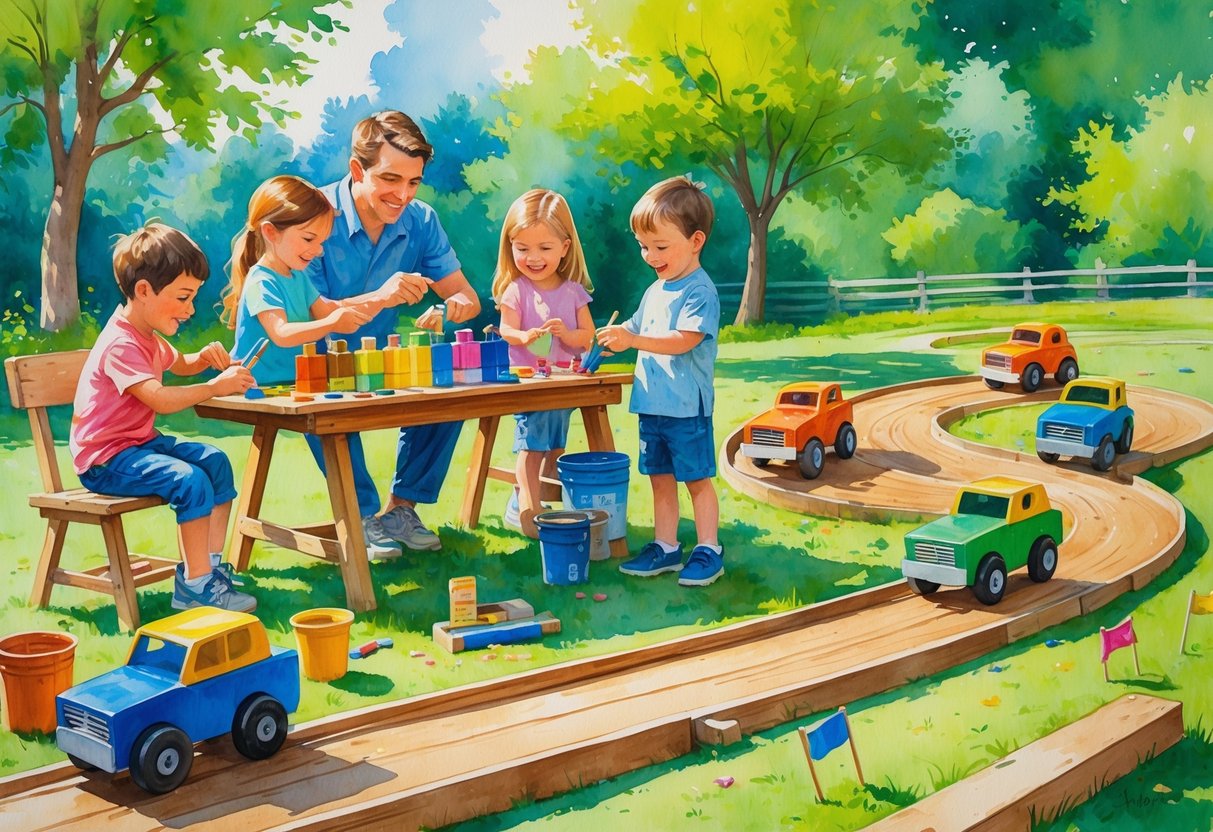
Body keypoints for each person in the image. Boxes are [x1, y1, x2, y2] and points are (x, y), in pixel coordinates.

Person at [304, 110, 482, 554]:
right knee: (331, 404)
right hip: (308, 359)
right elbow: (308, 315)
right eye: (390, 179)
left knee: (452, 389)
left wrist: (454, 306)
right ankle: (361, 517)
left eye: (414, 182)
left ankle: (401, 509)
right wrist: (382, 297)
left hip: (379, 358)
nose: (403, 194)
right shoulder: (311, 217)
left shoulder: (420, 220)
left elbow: (468, 298)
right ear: (356, 170)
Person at [220, 175, 416, 556]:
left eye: (322, 242)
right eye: (309, 240)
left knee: (344, 424)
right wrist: (331, 325)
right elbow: (282, 332)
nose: (318, 250)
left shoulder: (295, 277)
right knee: (334, 427)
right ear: (270, 232)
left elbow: (333, 308)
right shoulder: (263, 280)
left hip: (298, 382)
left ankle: (362, 518)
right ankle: (360, 521)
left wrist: (381, 301)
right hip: (260, 385)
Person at [70, 223, 259, 611]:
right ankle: (194, 586)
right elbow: (159, 399)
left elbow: (180, 364)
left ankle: (209, 569)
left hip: (136, 445)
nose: (190, 310)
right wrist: (214, 387)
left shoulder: (148, 335)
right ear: (143, 291)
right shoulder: (121, 343)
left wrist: (203, 359)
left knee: (216, 463)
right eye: (183, 297)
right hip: (105, 459)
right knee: (189, 481)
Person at [597, 176, 723, 586]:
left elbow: (683, 340)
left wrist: (633, 339)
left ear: (696, 240)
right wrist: (614, 339)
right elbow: (636, 326)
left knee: (697, 480)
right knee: (660, 478)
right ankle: (666, 546)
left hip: (686, 408)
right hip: (652, 406)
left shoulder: (700, 292)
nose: (650, 255)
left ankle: (708, 548)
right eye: (643, 247)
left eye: (660, 246)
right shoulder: (656, 290)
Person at [493, 189, 595, 538]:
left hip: (563, 383)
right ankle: (528, 510)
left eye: (544, 248)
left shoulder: (573, 292)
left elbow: (587, 336)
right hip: (530, 384)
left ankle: (531, 499)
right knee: (531, 447)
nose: (533, 258)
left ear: (565, 247)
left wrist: (566, 333)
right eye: (522, 249)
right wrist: (522, 336)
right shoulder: (516, 291)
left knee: (555, 446)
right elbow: (506, 328)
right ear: (511, 247)